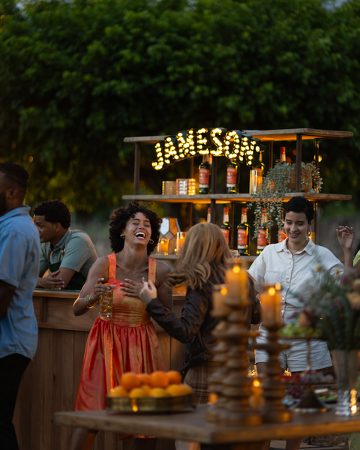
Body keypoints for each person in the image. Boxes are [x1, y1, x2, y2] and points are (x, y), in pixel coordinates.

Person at [138, 222, 254, 450]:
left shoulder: (201, 282)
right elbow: (257, 313)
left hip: (206, 369)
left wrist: (152, 302)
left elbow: (185, 330)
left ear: (192, 248)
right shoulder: (244, 280)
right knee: (229, 435)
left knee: (187, 433)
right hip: (239, 366)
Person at [69, 202, 171, 450]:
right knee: (90, 416)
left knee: (143, 425)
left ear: (151, 235)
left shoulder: (162, 271)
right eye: (135, 222)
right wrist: (93, 297)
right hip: (104, 346)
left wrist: (149, 299)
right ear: (122, 231)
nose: (142, 227)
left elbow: (168, 319)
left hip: (142, 348)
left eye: (147, 225)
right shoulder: (105, 264)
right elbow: (77, 307)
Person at [248, 196, 347, 450]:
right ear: (283, 223)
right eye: (289, 222)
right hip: (269, 335)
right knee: (269, 400)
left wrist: (347, 250)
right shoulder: (270, 252)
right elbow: (249, 282)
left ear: (310, 225)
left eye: (300, 223)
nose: (293, 229)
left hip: (307, 337)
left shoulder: (323, 256)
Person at [0, 163, 40, 450]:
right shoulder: (10, 226)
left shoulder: (15, 230)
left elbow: (3, 290)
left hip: (9, 342)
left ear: (12, 192)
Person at [33, 200, 98, 290]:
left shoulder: (78, 241)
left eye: (40, 226)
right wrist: (42, 282)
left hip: (86, 301)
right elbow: (26, 279)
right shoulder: (46, 244)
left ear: (57, 227)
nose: (35, 230)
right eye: (35, 225)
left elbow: (59, 283)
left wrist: (37, 282)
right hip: (62, 300)